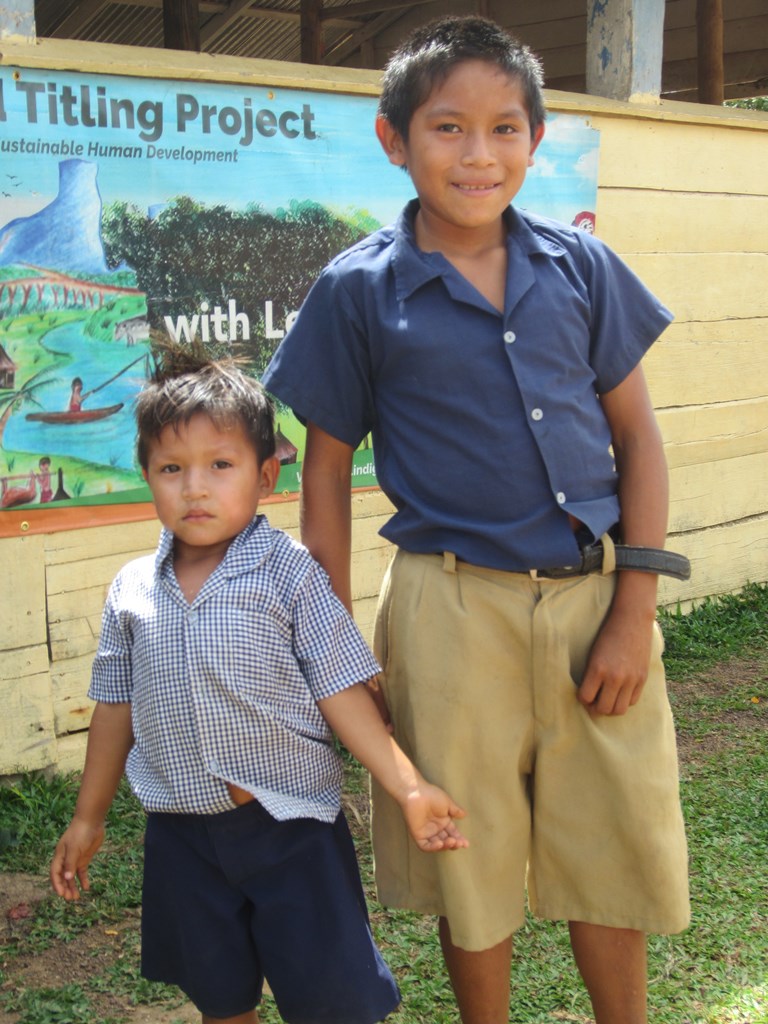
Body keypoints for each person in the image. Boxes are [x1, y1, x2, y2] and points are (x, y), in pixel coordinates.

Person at [262, 14, 690, 1024]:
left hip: (594, 600)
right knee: (472, 851)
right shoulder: (359, 288)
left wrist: (634, 607)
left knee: (612, 842)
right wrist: (331, 639)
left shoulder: (583, 269)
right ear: (394, 139)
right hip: (449, 612)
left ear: (535, 142)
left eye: (505, 129)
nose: (478, 154)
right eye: (448, 128)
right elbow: (324, 476)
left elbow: (641, 440)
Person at [50, 351, 468, 1024]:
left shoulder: (291, 576)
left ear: (266, 474)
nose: (195, 489)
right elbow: (115, 709)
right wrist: (87, 815)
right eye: (171, 469)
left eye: (221, 465)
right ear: (146, 477)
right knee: (221, 998)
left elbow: (340, 690)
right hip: (183, 837)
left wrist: (410, 788)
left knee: (334, 1001)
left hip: (292, 830)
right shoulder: (131, 590)